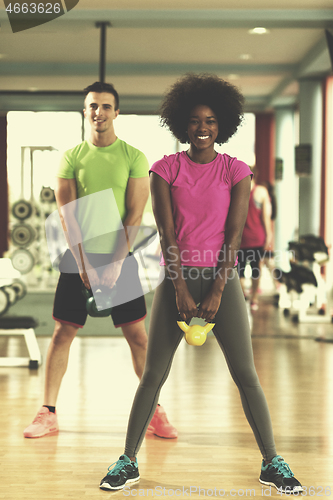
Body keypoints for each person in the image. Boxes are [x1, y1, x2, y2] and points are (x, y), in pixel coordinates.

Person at [99, 74, 303, 493]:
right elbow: (167, 234)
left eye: (210, 120)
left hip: (221, 281)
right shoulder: (165, 169)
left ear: (222, 123)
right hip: (176, 279)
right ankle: (127, 461)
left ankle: (272, 461)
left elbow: (234, 236)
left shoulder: (237, 171)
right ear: (182, 124)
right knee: (153, 374)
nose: (203, 127)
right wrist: (180, 289)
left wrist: (215, 290)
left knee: (246, 375)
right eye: (194, 120)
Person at [23, 81, 177, 440]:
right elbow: (67, 217)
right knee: (63, 332)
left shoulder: (133, 156)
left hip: (120, 257)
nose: (99, 112)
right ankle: (47, 412)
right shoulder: (72, 157)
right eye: (93, 106)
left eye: (106, 106)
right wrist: (84, 264)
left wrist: (114, 263)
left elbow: (136, 214)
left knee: (138, 336)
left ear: (116, 112)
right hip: (77, 258)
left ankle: (154, 410)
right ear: (85, 111)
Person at [237, 170, 273, 311]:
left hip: (239, 239)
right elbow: (266, 217)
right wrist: (269, 237)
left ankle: (243, 296)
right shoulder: (261, 192)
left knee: (239, 270)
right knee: (255, 269)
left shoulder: (236, 191)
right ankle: (254, 299)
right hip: (257, 239)